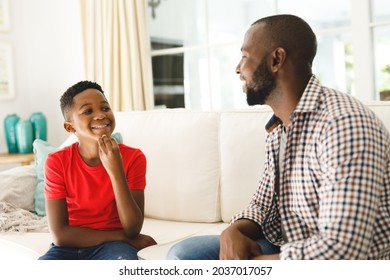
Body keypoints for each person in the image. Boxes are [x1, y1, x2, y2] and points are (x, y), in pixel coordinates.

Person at [166, 14, 390, 260]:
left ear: (276, 59)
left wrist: (255, 264)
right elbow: (262, 205)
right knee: (184, 255)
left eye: (244, 56)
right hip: (292, 246)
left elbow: (343, 250)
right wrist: (233, 230)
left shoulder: (344, 126)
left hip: (348, 263)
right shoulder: (279, 129)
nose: (238, 69)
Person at [38, 81, 156, 260]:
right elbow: (61, 235)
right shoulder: (56, 162)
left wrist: (116, 171)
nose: (101, 115)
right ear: (70, 127)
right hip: (69, 247)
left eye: (105, 108)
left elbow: (133, 229)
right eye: (88, 111)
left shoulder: (134, 158)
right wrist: (121, 237)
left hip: (114, 249)